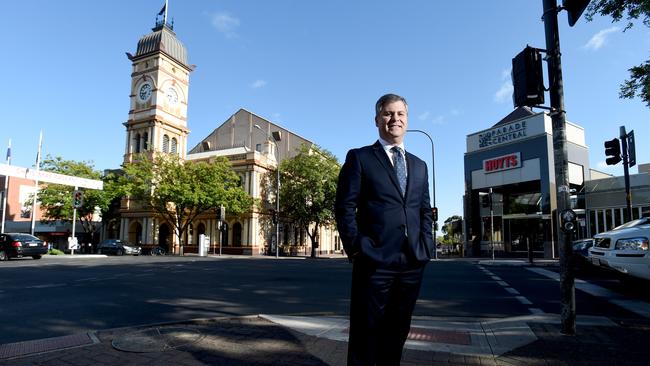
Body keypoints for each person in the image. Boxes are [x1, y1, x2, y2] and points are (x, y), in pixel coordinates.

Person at [335, 93, 434, 365]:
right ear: (377, 119)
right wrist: (356, 248)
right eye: (389, 114)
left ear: (407, 119)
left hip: (412, 260)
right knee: (365, 333)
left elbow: (425, 210)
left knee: (398, 331)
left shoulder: (420, 165)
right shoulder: (360, 158)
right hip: (374, 260)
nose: (395, 119)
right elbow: (345, 207)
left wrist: (426, 245)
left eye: (400, 114)